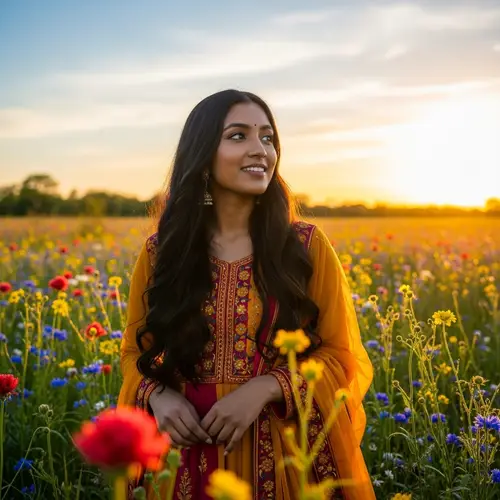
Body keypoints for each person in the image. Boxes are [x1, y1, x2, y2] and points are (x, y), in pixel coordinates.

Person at [117, 89, 375, 500]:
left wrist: (265, 389)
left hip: (283, 459)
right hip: (182, 457)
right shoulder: (161, 252)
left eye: (268, 137)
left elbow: (341, 358)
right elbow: (134, 353)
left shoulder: (305, 246)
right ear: (202, 153)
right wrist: (158, 397)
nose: (260, 150)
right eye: (238, 136)